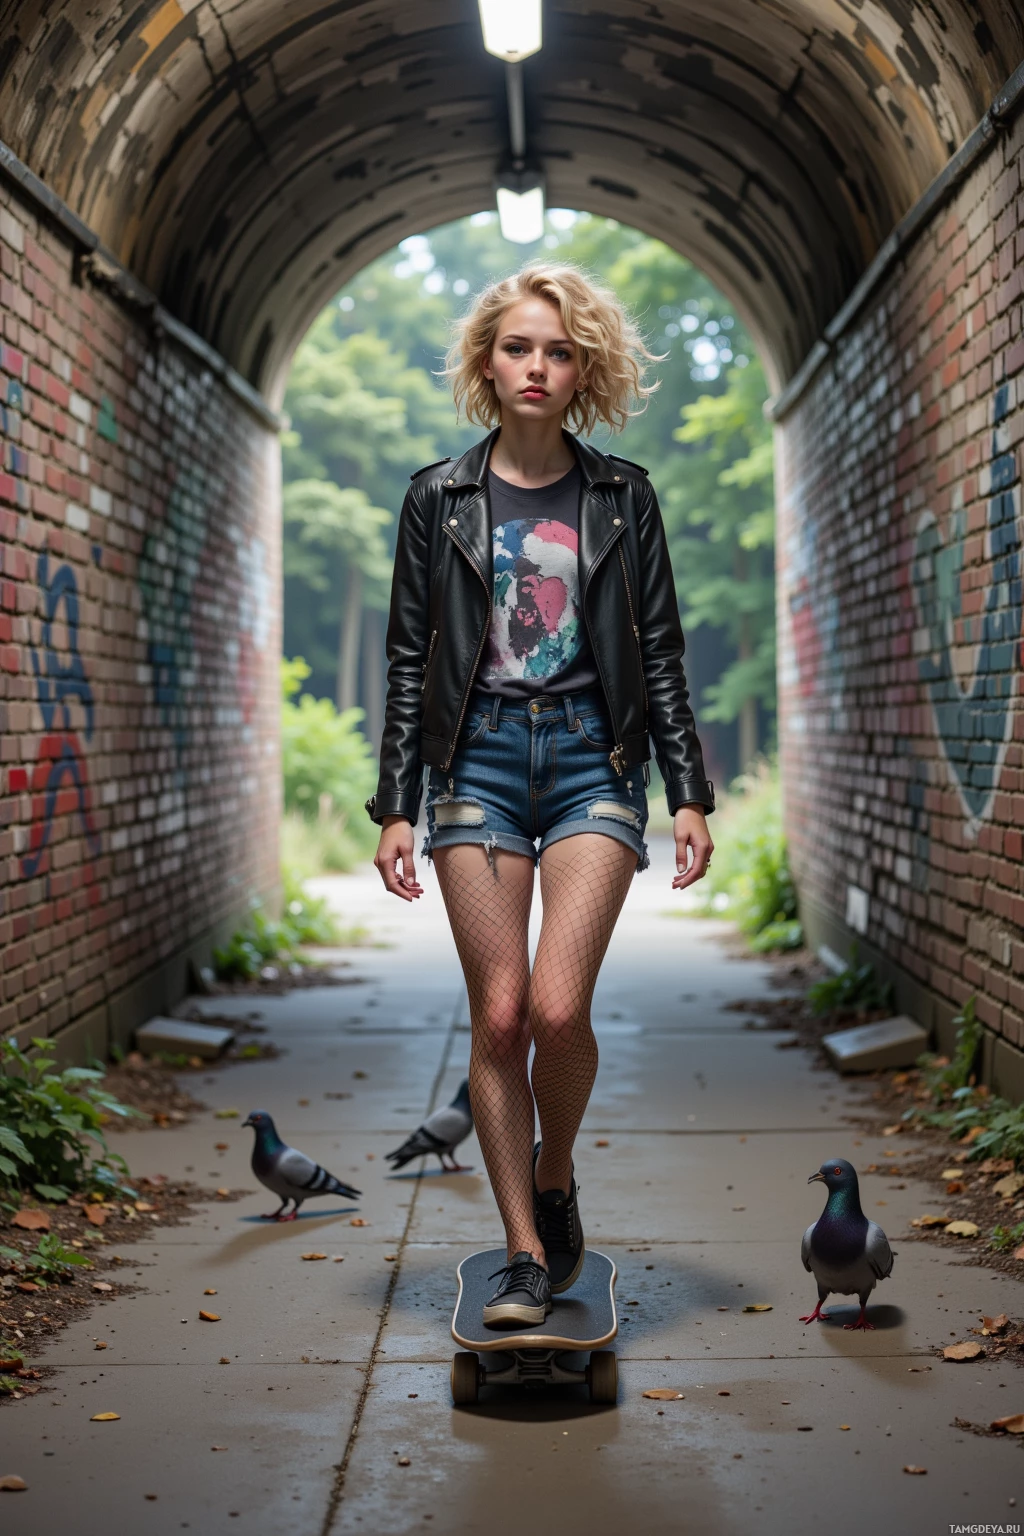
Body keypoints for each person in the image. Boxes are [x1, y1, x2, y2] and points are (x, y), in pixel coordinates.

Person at [367, 263, 714, 1327]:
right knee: (502, 1016)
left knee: (559, 1013)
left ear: (582, 371)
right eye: (518, 346)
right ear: (488, 361)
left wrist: (689, 791)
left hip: (590, 762)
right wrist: (395, 803)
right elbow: (408, 660)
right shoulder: (437, 498)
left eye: (559, 352)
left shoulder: (622, 496)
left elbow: (659, 651)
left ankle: (552, 1168)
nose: (537, 366)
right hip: (472, 764)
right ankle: (523, 1249)